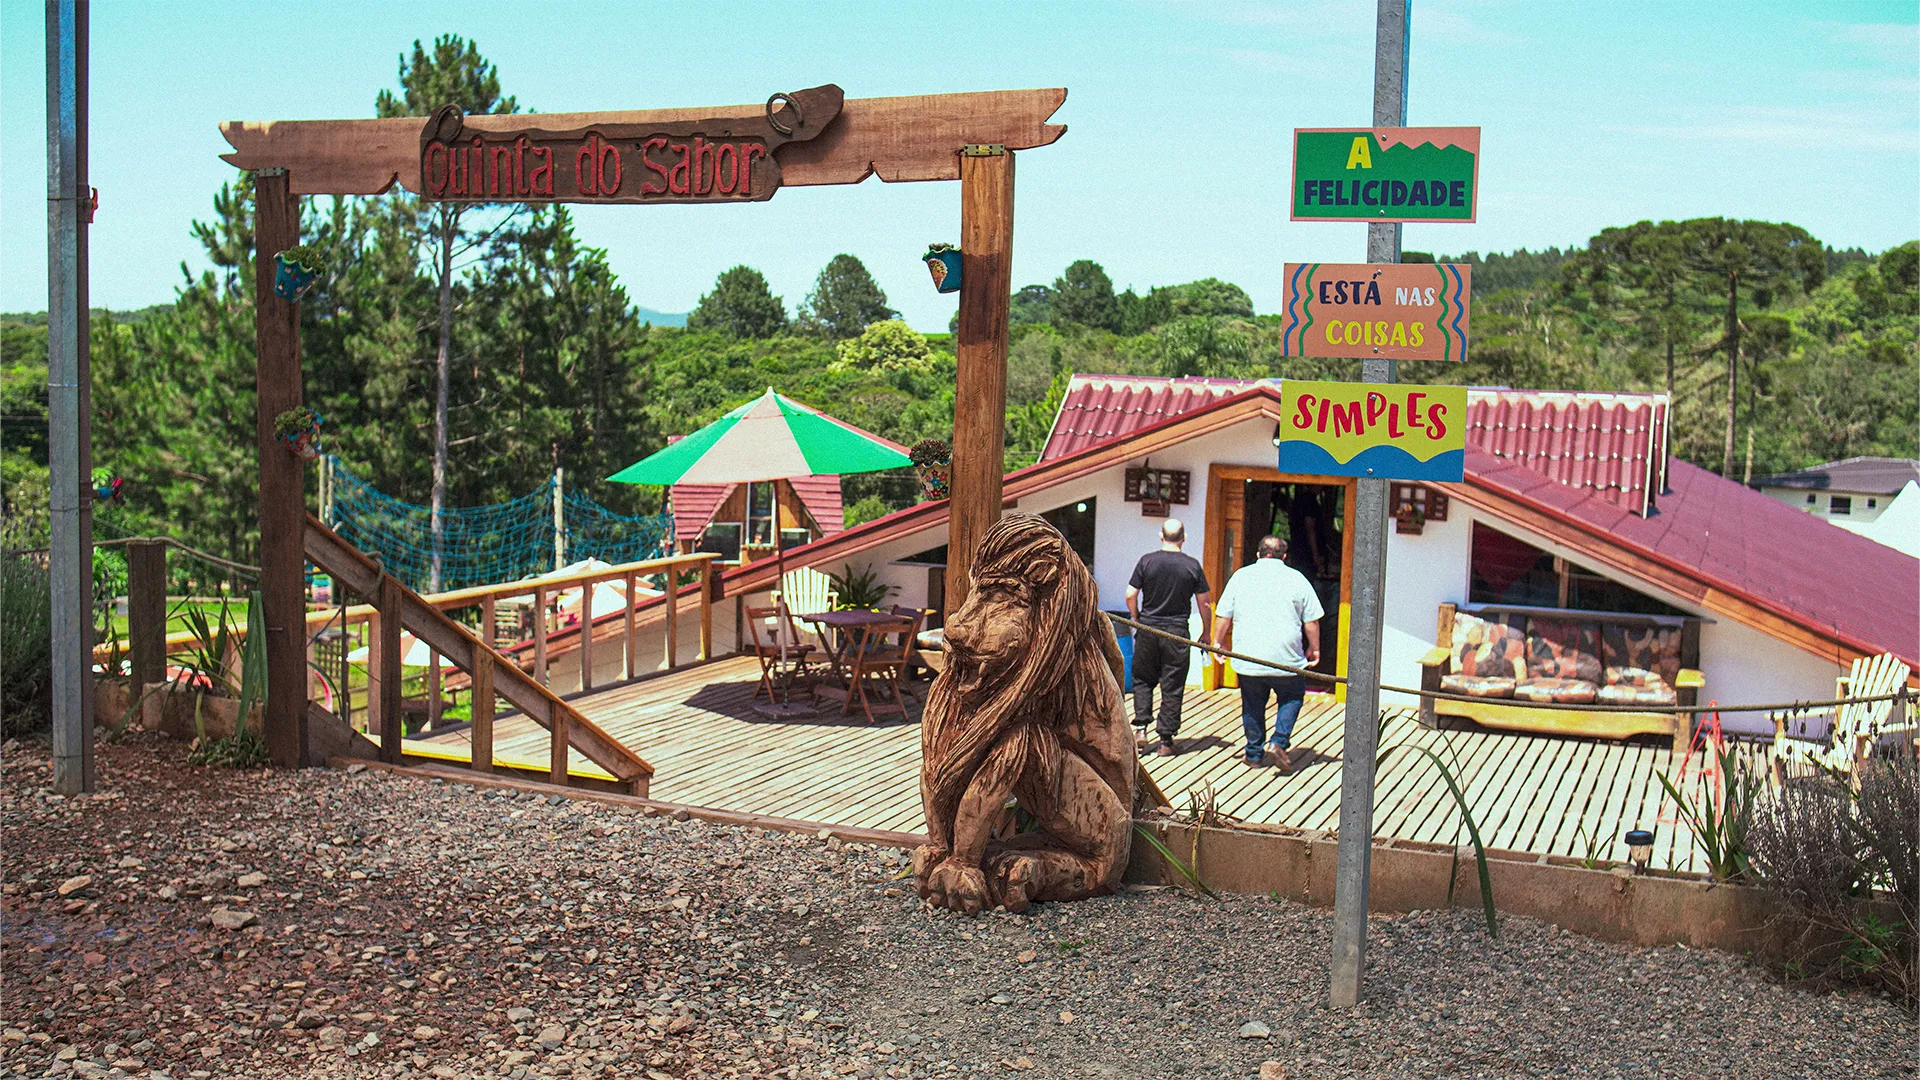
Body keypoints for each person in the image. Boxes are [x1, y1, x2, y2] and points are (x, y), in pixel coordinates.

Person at [1212, 534, 1323, 771]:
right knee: (1292, 697)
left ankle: (1253, 754)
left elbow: (1224, 615)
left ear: (1258, 554)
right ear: (1284, 556)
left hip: (1249, 656)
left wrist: (1218, 642)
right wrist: (1314, 648)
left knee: (1252, 704)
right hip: (1287, 657)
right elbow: (1311, 620)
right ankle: (1278, 741)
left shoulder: (1241, 576)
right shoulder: (1297, 578)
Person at [1126, 518, 1212, 757]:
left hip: (1149, 629)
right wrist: (1206, 631)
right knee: (1172, 686)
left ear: (1161, 536)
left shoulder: (1147, 561)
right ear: (1184, 538)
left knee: (1143, 679)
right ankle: (1166, 741)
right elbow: (1204, 603)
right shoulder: (1192, 566)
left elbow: (1130, 594)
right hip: (1177, 633)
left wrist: (1136, 617)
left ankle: (1141, 728)